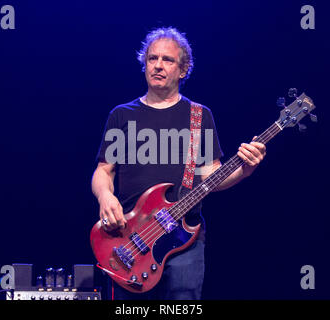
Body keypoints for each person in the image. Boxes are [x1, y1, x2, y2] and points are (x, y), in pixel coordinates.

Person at [91, 27, 266, 300]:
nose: (158, 65)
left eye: (168, 60)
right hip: (129, 239)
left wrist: (245, 170)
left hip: (184, 240)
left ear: (183, 70)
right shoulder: (121, 115)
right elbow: (104, 170)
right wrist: (104, 195)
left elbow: (212, 175)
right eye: (152, 58)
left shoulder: (199, 115)